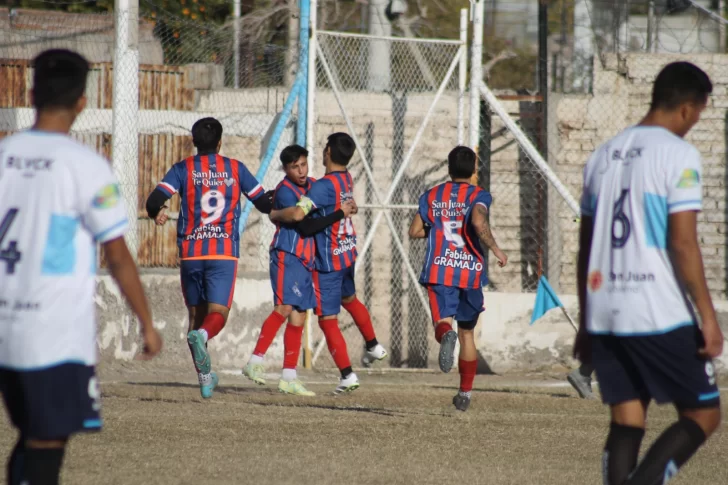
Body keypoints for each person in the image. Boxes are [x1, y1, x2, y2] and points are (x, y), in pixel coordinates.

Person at [0, 48, 162, 485]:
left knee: (32, 435)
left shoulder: (4, 155)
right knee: (47, 442)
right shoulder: (88, 167)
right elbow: (117, 254)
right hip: (51, 333)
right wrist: (146, 322)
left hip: (5, 326)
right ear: (82, 104)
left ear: (30, 93)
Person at [574, 61, 723, 485]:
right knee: (704, 413)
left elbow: (586, 249)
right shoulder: (678, 154)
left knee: (627, 420)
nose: (695, 124)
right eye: (698, 115)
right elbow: (683, 243)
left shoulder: (602, 155)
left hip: (607, 310)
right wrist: (708, 318)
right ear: (686, 108)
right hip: (657, 309)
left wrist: (587, 319)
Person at [145, 117, 273, 399]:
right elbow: (264, 204)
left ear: (194, 143)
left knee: (195, 317)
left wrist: (158, 212)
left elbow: (153, 201)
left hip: (191, 253)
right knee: (217, 316)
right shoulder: (235, 168)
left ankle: (205, 378)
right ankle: (203, 338)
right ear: (220, 142)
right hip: (222, 252)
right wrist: (282, 197)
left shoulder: (183, 169)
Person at [270, 133, 388, 394]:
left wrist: (277, 214)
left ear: (328, 153)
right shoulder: (346, 178)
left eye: (324, 148)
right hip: (347, 253)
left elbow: (304, 220)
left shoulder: (321, 187)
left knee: (327, 320)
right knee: (350, 299)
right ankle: (373, 345)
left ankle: (347, 375)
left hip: (329, 261)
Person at [243, 145, 356, 396]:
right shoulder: (285, 191)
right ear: (285, 169)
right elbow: (302, 223)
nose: (301, 171)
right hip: (288, 255)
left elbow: (335, 200)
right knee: (284, 308)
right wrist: (339, 212)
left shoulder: (314, 184)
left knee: (299, 317)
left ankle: (289, 376)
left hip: (307, 260)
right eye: (295, 167)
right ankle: (255, 361)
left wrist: (347, 206)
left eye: (304, 164)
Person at [408, 146, 507, 412]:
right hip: (470, 272)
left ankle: (445, 335)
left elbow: (414, 231)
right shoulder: (479, 195)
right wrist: (495, 248)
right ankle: (464, 393)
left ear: (448, 168)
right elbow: (477, 221)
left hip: (440, 269)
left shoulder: (432, 195)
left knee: (443, 323)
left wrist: (437, 225)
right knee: (468, 334)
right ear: (474, 169)